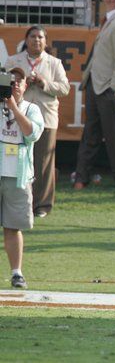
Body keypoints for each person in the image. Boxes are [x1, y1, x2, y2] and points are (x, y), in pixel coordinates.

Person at [74, 0, 115, 192]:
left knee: (113, 135)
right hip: (95, 84)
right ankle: (81, 177)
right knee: (90, 132)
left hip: (107, 88)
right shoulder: (111, 20)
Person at [5, 25, 70, 218]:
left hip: (45, 117)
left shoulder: (54, 63)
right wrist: (21, 83)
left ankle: (42, 205)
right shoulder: (13, 61)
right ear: (26, 40)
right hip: (17, 116)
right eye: (33, 36)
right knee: (15, 157)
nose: (37, 40)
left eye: (41, 37)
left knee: (44, 162)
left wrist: (44, 82)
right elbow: (4, 82)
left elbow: (65, 88)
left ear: (46, 41)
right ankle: (17, 200)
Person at [1, 66, 45, 289]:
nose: (16, 84)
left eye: (20, 81)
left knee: (13, 226)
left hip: (18, 176)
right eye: (12, 80)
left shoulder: (32, 109)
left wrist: (14, 109)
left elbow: (32, 134)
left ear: (26, 85)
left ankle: (16, 273)